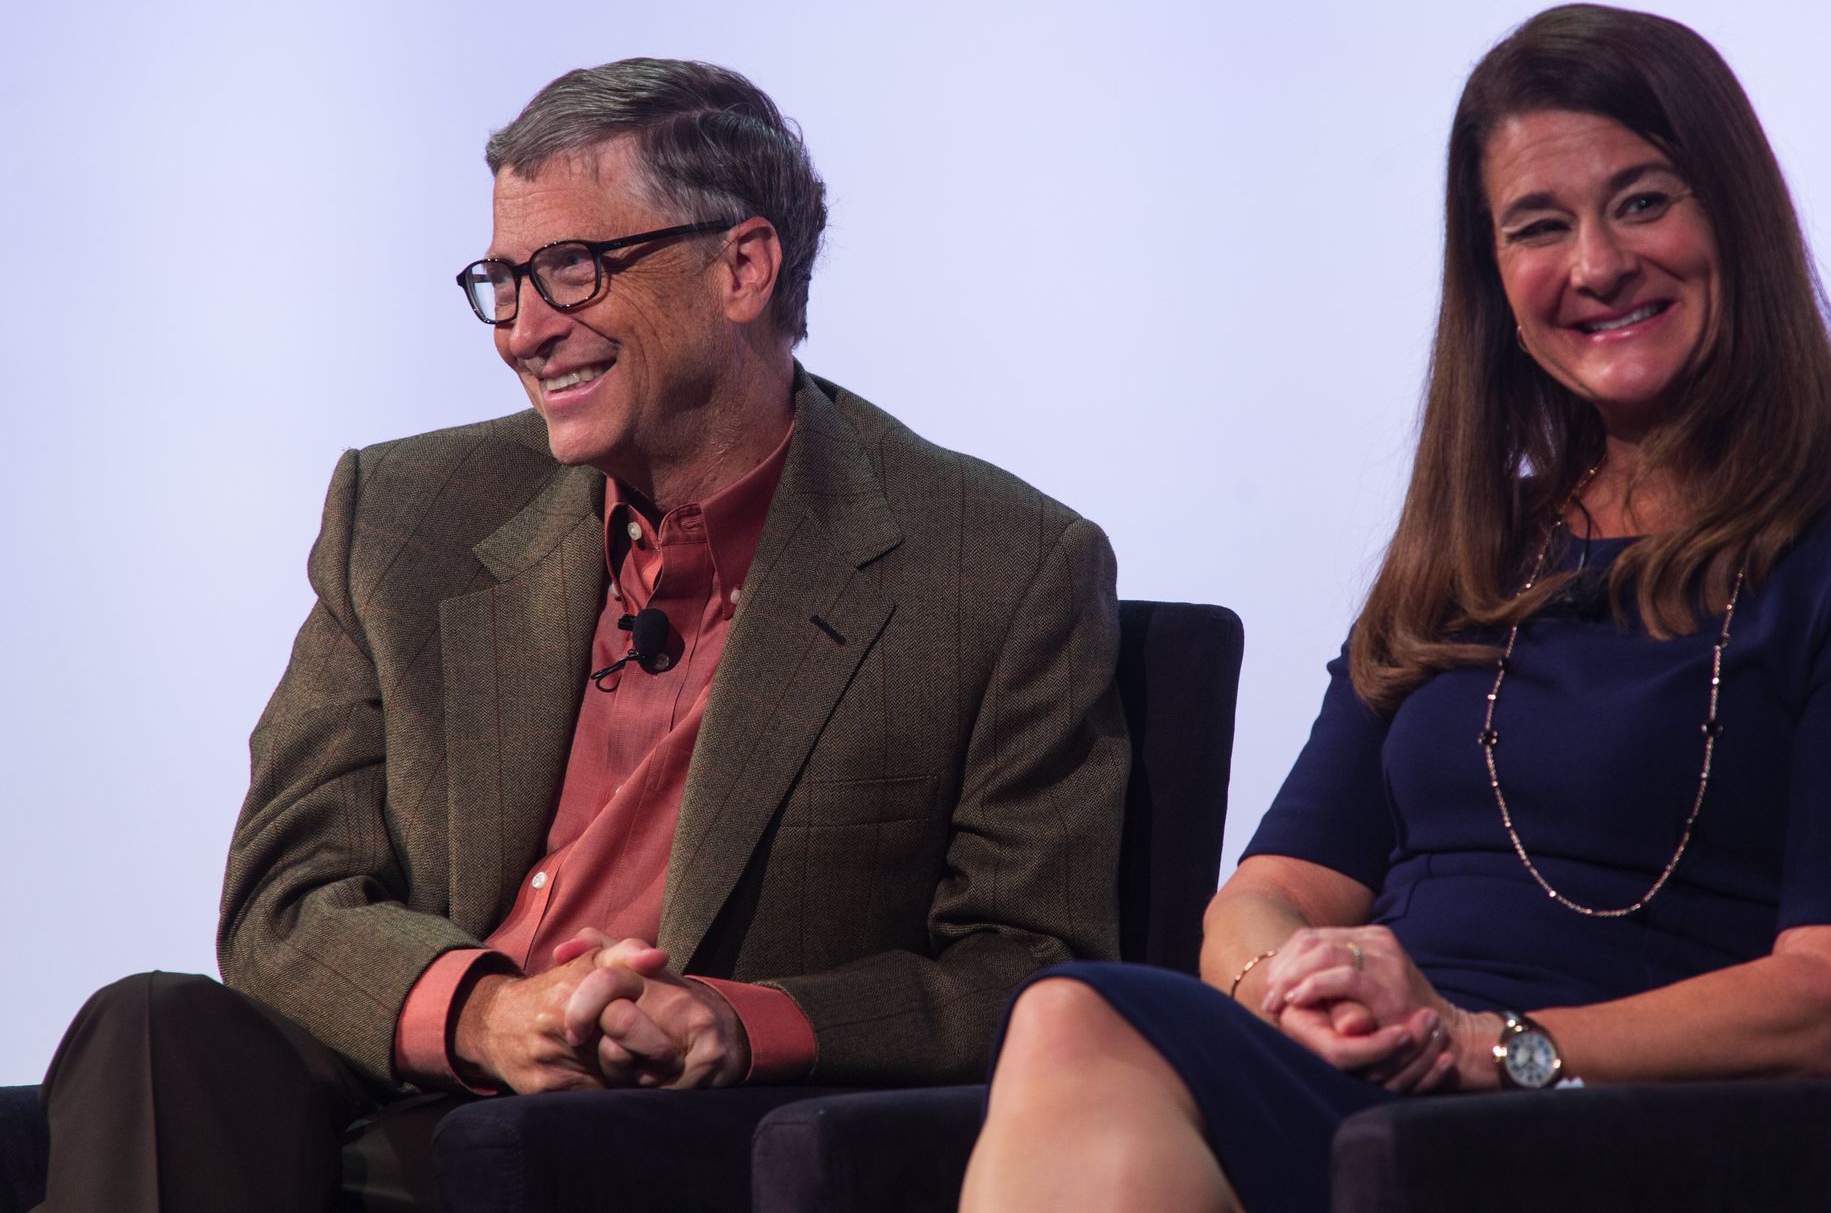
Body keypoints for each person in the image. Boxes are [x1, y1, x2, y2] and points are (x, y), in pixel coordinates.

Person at [960, 3, 1831, 1212]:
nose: (1599, 264)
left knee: (1076, 1016)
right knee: (1077, 1023)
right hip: (1387, 1096)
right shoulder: (1469, 552)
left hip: (1607, 1126)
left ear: (1737, 217)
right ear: (1495, 279)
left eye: (1645, 200)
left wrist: (1482, 1042)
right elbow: (1265, 893)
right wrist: (1294, 985)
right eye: (1539, 226)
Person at [36, 58, 1127, 1210]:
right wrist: (484, 1012)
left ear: (743, 267)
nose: (523, 333)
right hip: (399, 1076)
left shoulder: (996, 566)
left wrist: (740, 1021)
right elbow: (287, 895)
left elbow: (1029, 963)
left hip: (665, 1137)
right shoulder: (405, 515)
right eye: (502, 282)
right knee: (150, 1027)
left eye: (573, 271)